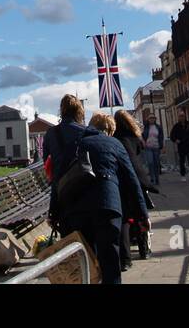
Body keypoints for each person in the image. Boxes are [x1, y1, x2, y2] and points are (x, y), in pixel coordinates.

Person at [42, 94, 147, 284]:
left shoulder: (70, 145)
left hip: (75, 207)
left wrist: (53, 212)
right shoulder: (113, 143)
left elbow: (58, 180)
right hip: (108, 206)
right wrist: (142, 214)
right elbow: (132, 180)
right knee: (110, 263)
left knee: (83, 266)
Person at [114, 110, 156, 271]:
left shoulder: (114, 138)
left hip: (122, 180)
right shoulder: (135, 136)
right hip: (138, 178)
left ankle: (125, 259)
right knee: (140, 214)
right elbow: (139, 152)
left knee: (125, 218)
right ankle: (144, 250)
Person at [170, 110, 189, 181]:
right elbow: (172, 136)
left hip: (188, 145)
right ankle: (183, 175)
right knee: (182, 161)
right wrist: (175, 140)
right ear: (178, 117)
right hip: (181, 146)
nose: (182, 117)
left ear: (185, 116)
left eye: (183, 116)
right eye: (180, 116)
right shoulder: (176, 126)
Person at [142, 114, 164, 186]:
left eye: (153, 118)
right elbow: (141, 135)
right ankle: (152, 178)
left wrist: (162, 146)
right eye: (150, 118)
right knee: (150, 162)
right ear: (148, 119)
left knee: (156, 163)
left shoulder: (158, 127)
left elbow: (161, 137)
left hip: (156, 147)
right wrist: (143, 142)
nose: (152, 119)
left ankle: (157, 179)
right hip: (148, 147)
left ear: (155, 119)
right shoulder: (145, 127)